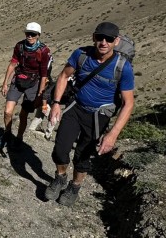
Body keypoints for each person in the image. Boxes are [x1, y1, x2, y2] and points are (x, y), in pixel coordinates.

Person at [45, 22, 135, 207]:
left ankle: (74, 187)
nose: (104, 42)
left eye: (109, 39)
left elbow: (128, 103)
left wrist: (113, 134)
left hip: (98, 116)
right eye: (100, 38)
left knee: (82, 157)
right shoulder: (81, 55)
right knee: (60, 149)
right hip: (75, 107)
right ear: (94, 37)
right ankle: (60, 177)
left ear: (116, 41)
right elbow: (63, 76)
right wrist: (55, 104)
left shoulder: (123, 67)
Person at [0, 22, 52, 150]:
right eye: (28, 33)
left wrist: (40, 94)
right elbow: (12, 64)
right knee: (7, 112)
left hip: (33, 84)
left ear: (38, 35)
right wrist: (5, 83)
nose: (30, 36)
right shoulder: (20, 46)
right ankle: (7, 133)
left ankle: (19, 137)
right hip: (18, 80)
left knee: (23, 114)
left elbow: (44, 75)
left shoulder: (43, 51)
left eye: (33, 34)